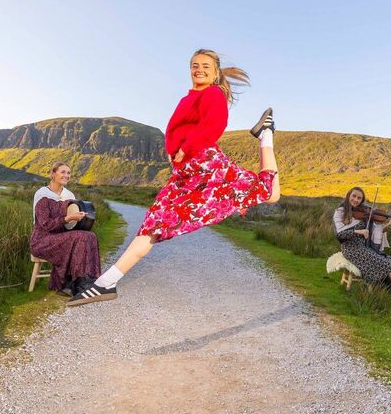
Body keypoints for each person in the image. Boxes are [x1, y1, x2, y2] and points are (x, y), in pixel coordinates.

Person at [68, 48, 280, 306]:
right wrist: (173, 153)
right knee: (152, 225)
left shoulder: (214, 94)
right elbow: (176, 131)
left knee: (269, 193)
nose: (199, 69)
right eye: (194, 65)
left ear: (215, 73)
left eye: (205, 66)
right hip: (185, 173)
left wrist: (185, 149)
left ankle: (266, 134)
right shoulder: (188, 98)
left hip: (206, 167)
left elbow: (214, 126)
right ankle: (105, 283)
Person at [31, 162, 102, 297]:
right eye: (63, 172)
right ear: (53, 174)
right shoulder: (42, 194)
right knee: (80, 237)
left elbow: (71, 225)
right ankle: (74, 285)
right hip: (42, 240)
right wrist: (68, 218)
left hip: (62, 237)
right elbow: (46, 224)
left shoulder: (69, 195)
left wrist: (80, 219)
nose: (66, 175)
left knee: (90, 235)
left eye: (68, 173)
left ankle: (85, 281)